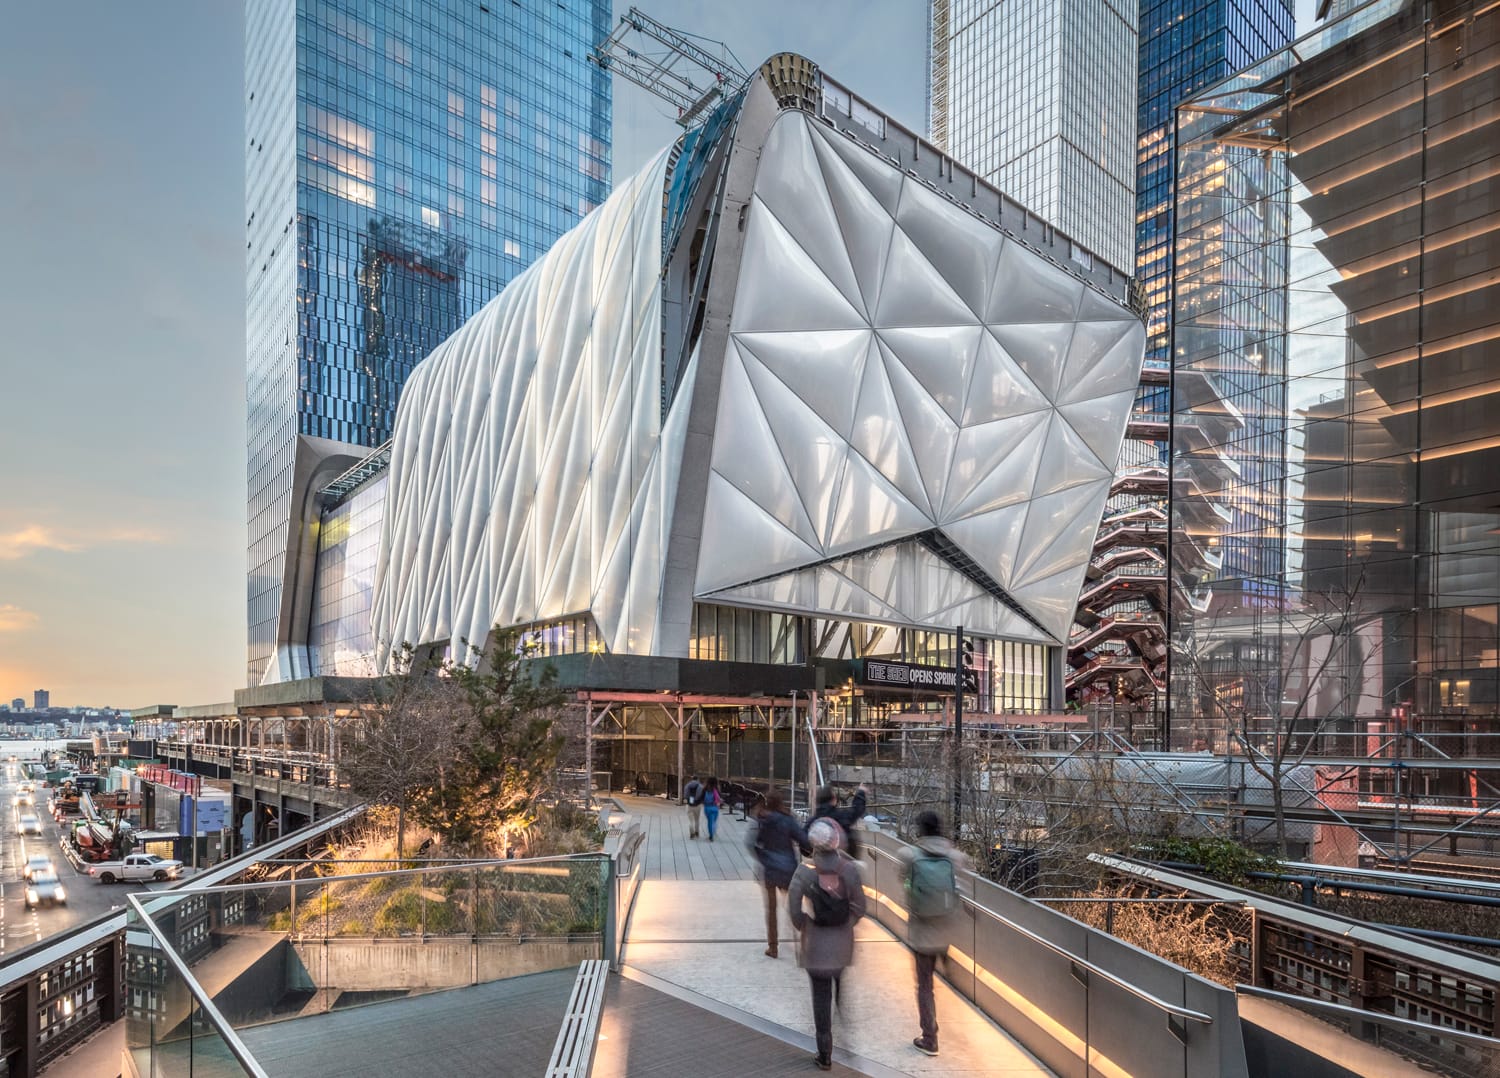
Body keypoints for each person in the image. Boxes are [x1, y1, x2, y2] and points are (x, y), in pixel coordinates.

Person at [789, 819, 865, 1070]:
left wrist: (805, 926)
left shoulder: (805, 871)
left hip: (815, 945)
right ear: (835, 841)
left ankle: (825, 1052)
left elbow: (793, 908)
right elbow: (860, 907)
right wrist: (845, 924)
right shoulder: (849, 869)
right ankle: (846, 1025)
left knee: (820, 996)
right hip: (842, 944)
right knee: (839, 983)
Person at [897, 810, 970, 1057]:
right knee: (941, 967)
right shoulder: (955, 857)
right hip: (948, 928)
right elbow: (966, 883)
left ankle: (930, 1038)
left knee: (924, 985)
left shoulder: (908, 855)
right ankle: (948, 964)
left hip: (922, 930)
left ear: (920, 829)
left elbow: (902, 879)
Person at [750, 789, 810, 958]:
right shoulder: (788, 820)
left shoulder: (763, 819)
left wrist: (763, 858)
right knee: (792, 907)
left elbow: (757, 843)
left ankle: (773, 947)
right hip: (788, 869)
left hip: (769, 869)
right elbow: (803, 840)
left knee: (771, 909)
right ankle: (802, 941)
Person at [811, 783, 868, 859]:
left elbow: (804, 841)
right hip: (842, 860)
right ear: (833, 799)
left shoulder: (813, 821)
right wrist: (861, 792)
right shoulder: (840, 816)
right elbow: (857, 810)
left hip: (820, 861)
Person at [701, 776, 722, 842]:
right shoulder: (717, 790)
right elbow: (719, 799)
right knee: (714, 821)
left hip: (707, 808)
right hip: (715, 808)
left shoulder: (704, 789)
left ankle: (711, 835)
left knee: (710, 822)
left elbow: (701, 798)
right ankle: (713, 832)